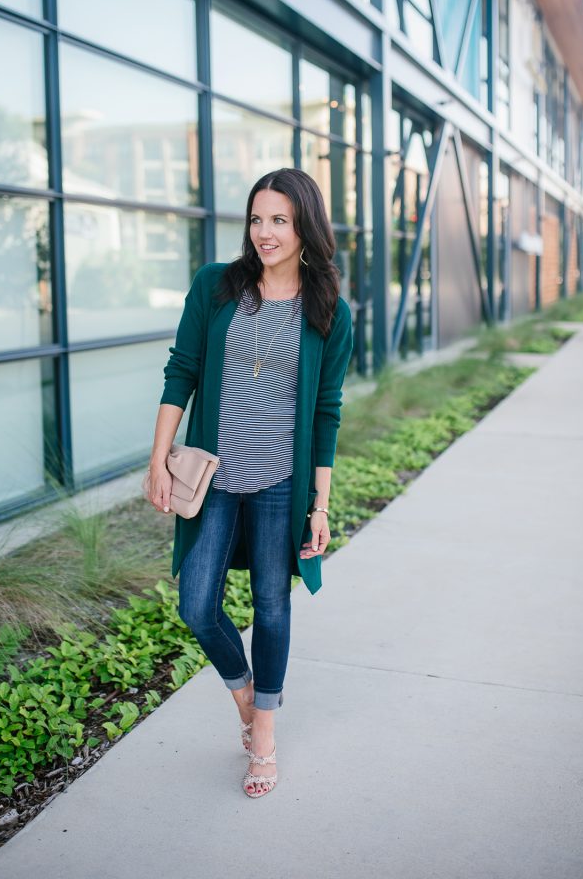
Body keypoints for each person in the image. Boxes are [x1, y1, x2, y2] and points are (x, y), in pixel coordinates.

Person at [145, 167, 353, 798]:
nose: (264, 232)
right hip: (213, 478)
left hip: (280, 483)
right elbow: (181, 371)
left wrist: (320, 504)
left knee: (272, 603)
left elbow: (326, 412)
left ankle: (264, 733)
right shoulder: (216, 286)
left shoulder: (328, 310)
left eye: (279, 221)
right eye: (257, 219)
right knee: (197, 604)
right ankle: (247, 700)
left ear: (305, 227)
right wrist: (159, 460)